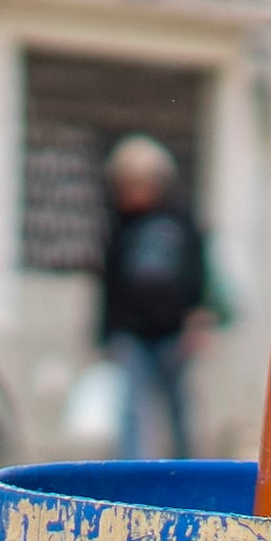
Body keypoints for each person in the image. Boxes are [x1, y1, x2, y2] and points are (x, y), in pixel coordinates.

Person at [92, 135, 214, 460]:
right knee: (131, 407)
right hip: (132, 333)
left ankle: (186, 472)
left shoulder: (179, 219)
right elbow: (108, 282)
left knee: (178, 409)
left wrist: (197, 318)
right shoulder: (119, 225)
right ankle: (130, 470)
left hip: (173, 331)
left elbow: (198, 270)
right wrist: (105, 334)